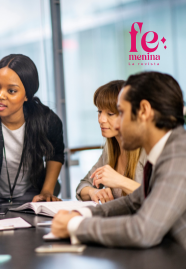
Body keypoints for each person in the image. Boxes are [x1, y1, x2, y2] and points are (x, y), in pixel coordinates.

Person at [51, 71, 186, 249]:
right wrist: (82, 214)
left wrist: (74, 226)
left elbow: (143, 231)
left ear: (144, 111)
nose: (115, 125)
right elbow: (132, 202)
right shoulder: (166, 150)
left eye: (120, 113)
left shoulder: (179, 156)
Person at [0, 54, 65, 222]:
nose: (0, 95)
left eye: (11, 91)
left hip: (33, 197)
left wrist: (47, 191)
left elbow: (56, 153)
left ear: (27, 95)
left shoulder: (47, 119)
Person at [76, 80, 147, 203]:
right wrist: (94, 192)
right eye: (99, 112)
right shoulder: (109, 151)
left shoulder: (147, 150)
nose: (101, 119)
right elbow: (82, 186)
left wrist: (120, 181)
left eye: (110, 113)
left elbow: (161, 198)